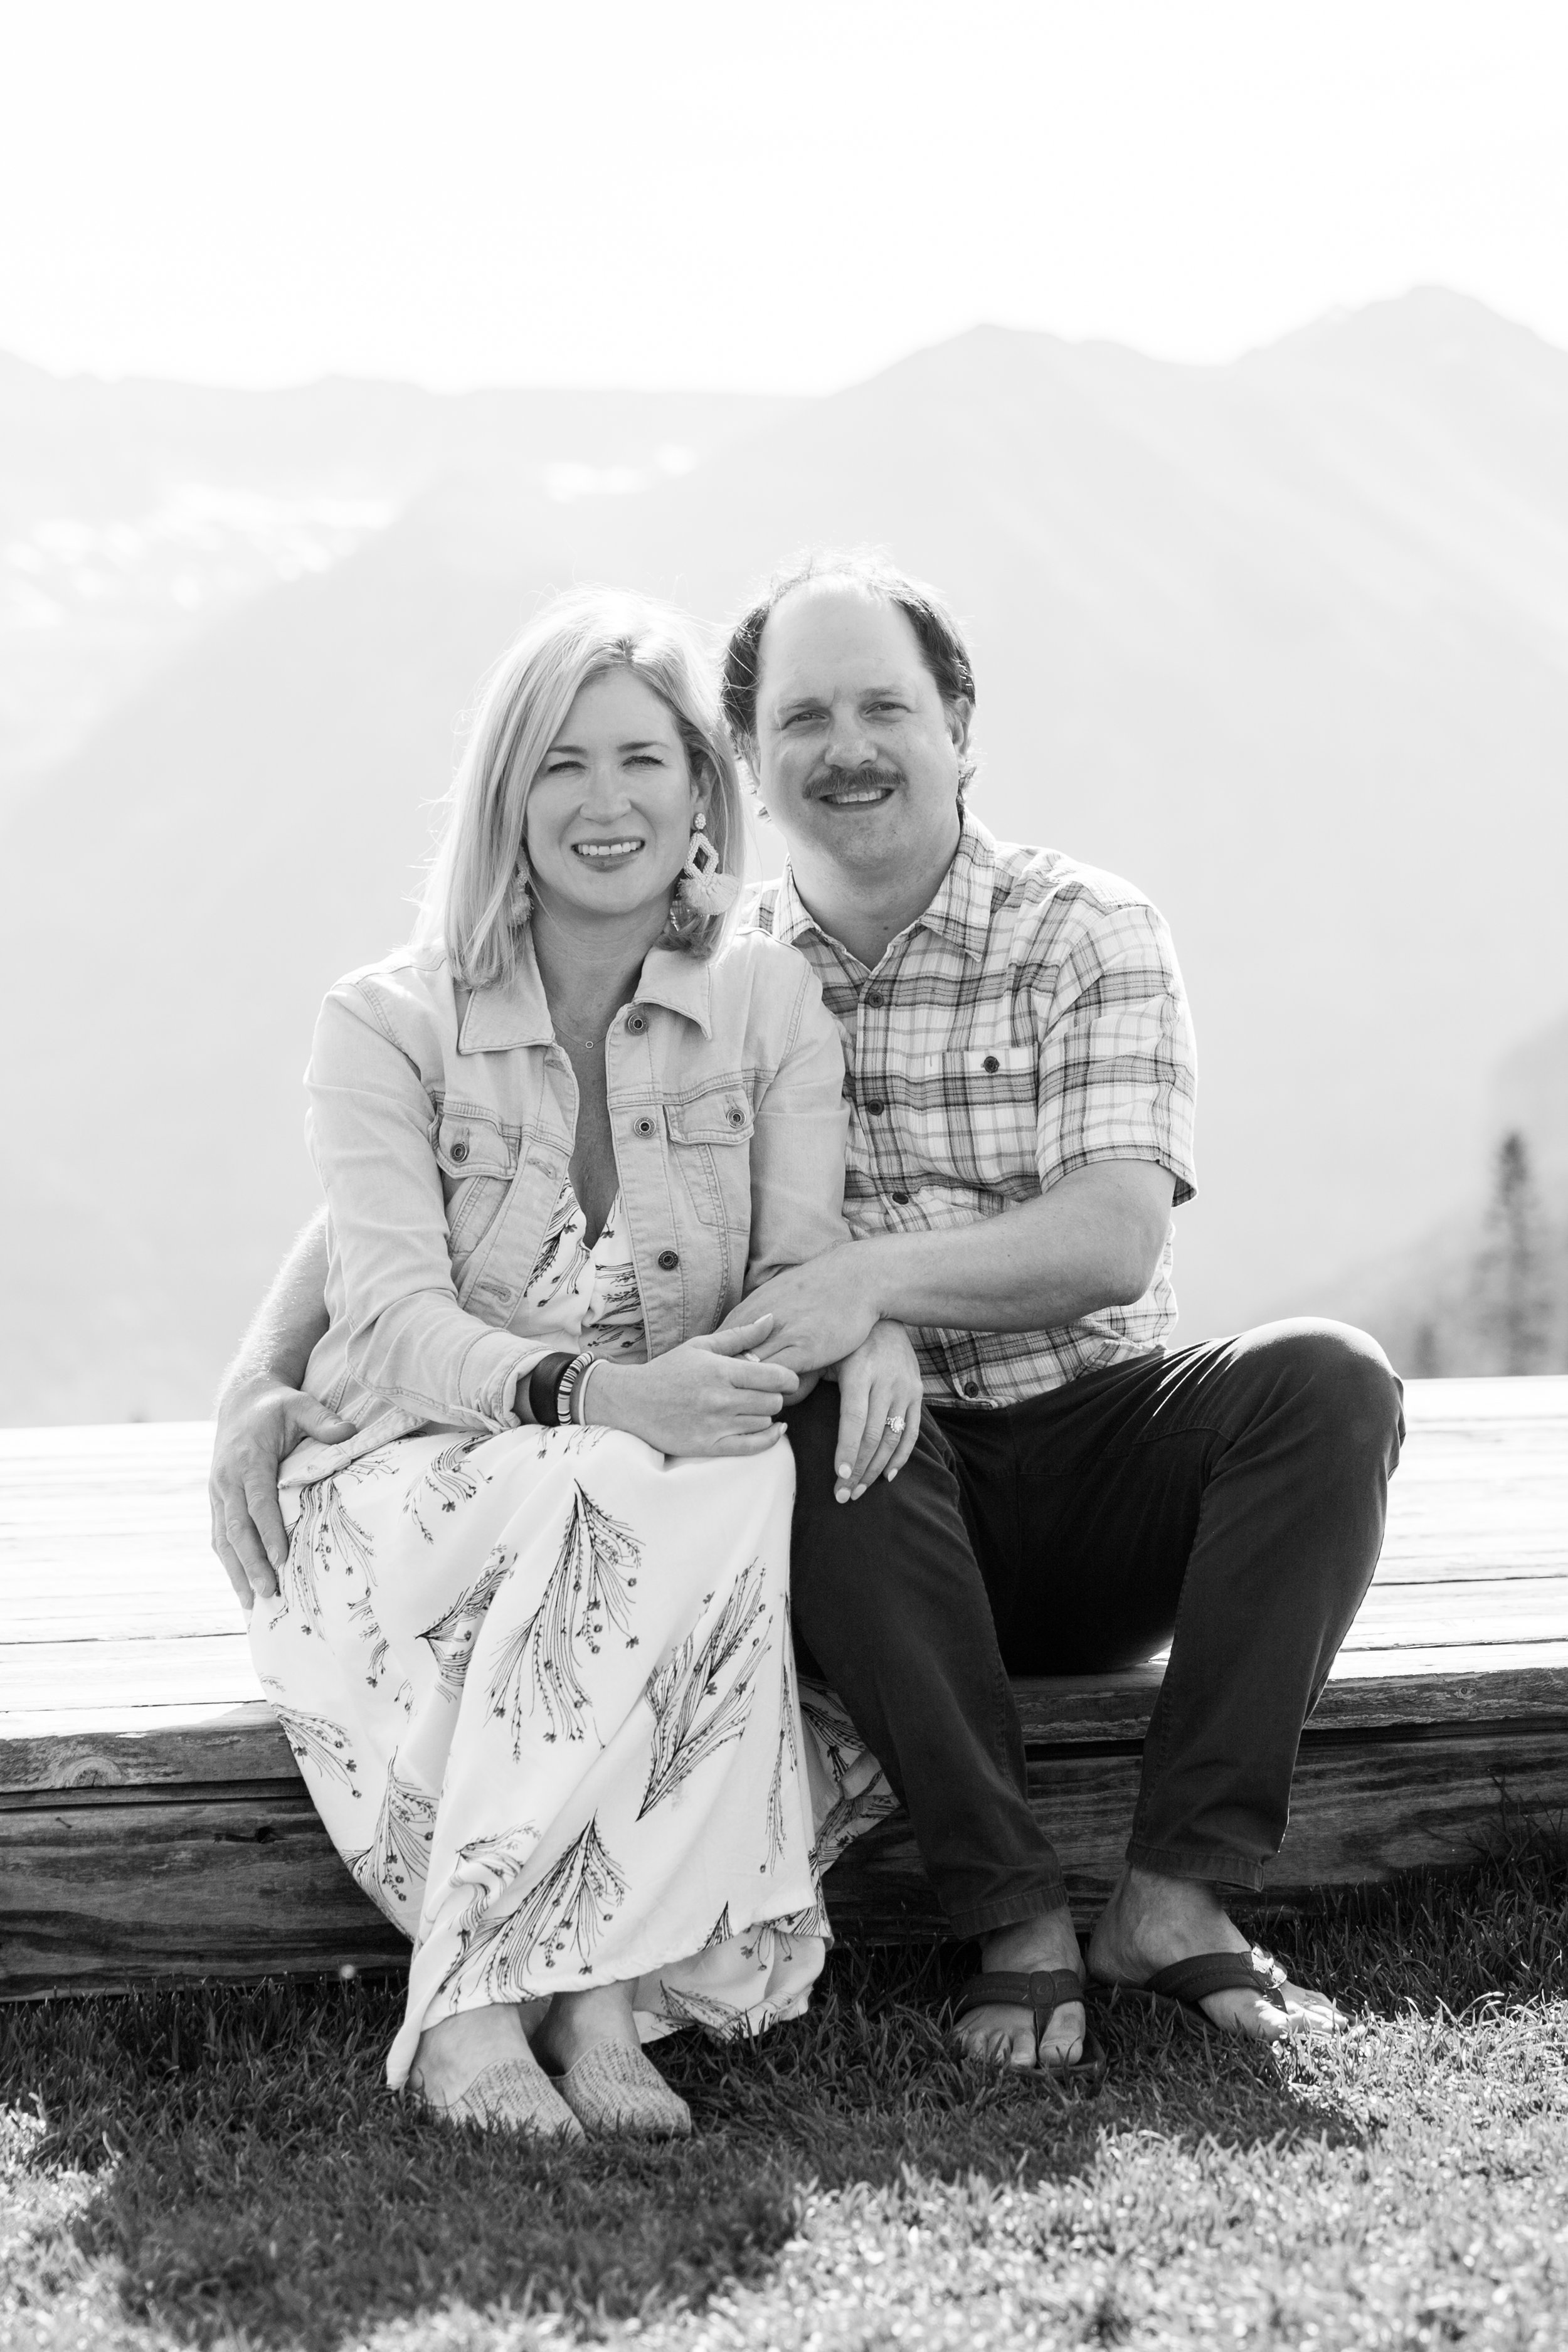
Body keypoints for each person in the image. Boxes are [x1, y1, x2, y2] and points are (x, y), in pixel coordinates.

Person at [213, 549, 1405, 2086]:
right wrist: (258, 1369)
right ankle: (1015, 1918)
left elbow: (1113, 1240)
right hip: (857, 1512)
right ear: (754, 771)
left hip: (1080, 1443)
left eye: (883, 707)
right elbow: (427, 1169)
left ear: (958, 723)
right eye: (803, 719)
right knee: (811, 1417)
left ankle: (1172, 1899)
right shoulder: (705, 944)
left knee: (1328, 1385)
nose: (846, 747)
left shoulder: (1081, 928)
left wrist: (862, 1290)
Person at [235, 586, 922, 2140]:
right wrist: (593, 1397)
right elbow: (393, 1317)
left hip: (649, 1481)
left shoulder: (765, 1003)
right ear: (505, 794)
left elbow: (796, 1263)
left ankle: (592, 2000)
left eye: (640, 761)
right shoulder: (389, 1021)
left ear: (699, 791)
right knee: (651, 1466)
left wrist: (862, 1315)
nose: (602, 803)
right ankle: (477, 2013)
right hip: (402, 1481)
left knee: (718, 1463)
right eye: (559, 763)